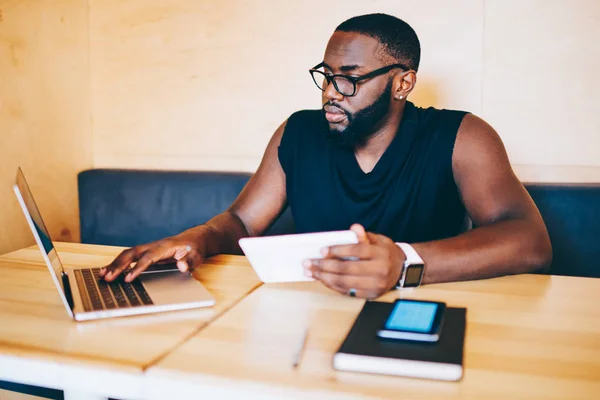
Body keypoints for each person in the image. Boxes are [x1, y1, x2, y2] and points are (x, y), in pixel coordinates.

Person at [100, 13, 552, 299]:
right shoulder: (297, 132)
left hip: (420, 317)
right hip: (312, 315)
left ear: (402, 83)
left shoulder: (461, 136)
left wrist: (405, 263)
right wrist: (193, 240)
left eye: (350, 78)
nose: (331, 92)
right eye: (327, 75)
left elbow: (531, 241)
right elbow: (240, 222)